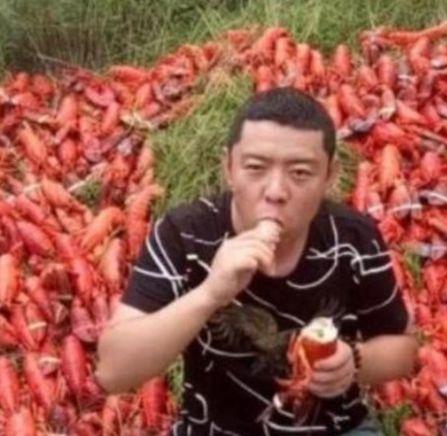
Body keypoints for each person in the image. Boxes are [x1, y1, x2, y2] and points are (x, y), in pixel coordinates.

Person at [96, 87, 418, 435]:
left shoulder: (354, 238)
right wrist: (210, 294)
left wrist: (353, 363)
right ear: (229, 168)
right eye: (255, 168)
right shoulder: (185, 234)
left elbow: (405, 351)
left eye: (300, 173)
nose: (275, 191)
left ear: (329, 176)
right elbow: (113, 373)